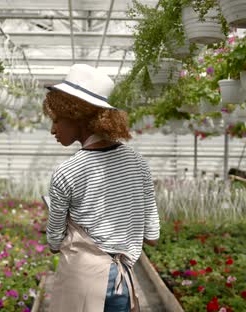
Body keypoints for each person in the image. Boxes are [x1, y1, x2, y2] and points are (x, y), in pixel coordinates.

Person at [43, 64, 161, 312]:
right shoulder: (138, 162)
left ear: (78, 117)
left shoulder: (68, 171)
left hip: (81, 277)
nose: (53, 129)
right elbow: (152, 236)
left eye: (57, 120)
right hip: (121, 280)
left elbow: (54, 239)